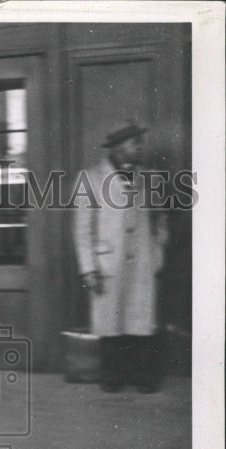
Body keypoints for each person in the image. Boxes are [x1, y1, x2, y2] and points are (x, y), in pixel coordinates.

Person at [73, 122, 168, 393]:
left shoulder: (149, 177)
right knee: (110, 321)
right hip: (108, 262)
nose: (139, 147)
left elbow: (160, 218)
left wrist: (157, 250)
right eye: (133, 142)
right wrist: (89, 269)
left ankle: (143, 376)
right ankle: (112, 376)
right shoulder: (90, 178)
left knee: (141, 318)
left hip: (142, 261)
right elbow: (82, 229)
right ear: (116, 147)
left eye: (140, 142)